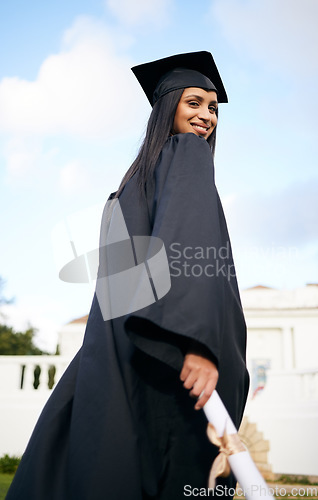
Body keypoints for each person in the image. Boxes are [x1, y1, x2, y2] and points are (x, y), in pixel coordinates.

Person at [6, 51, 249, 500]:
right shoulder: (186, 155)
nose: (206, 116)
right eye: (194, 102)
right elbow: (189, 243)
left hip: (120, 354)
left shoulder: (133, 181)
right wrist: (197, 343)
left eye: (212, 108)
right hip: (169, 356)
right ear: (168, 104)